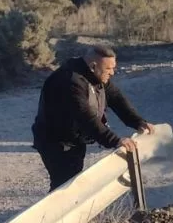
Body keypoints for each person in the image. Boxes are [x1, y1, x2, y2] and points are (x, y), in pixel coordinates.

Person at [31, 45, 154, 192]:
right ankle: (49, 215)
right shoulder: (70, 81)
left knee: (71, 182)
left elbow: (116, 98)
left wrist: (138, 121)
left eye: (113, 68)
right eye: (108, 69)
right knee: (63, 186)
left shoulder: (95, 76)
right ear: (93, 66)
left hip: (74, 139)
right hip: (54, 142)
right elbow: (84, 115)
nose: (112, 73)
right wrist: (114, 140)